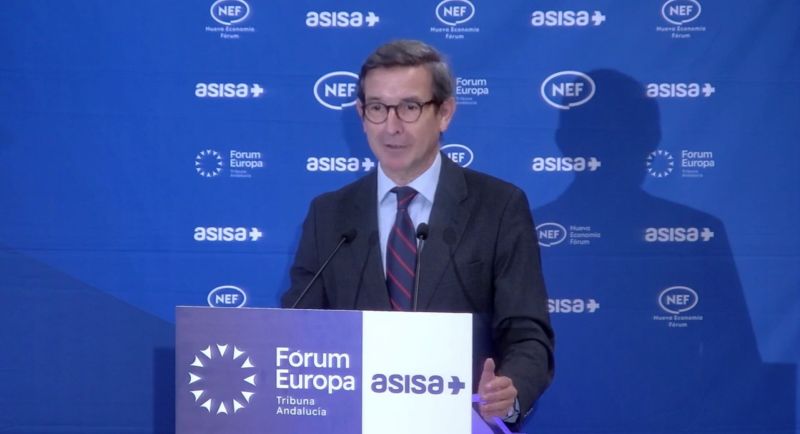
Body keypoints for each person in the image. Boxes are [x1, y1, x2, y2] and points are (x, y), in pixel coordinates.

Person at [281, 39, 554, 427]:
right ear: (361, 114)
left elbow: (527, 333)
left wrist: (509, 391)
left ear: (444, 113)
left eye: (409, 107)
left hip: (460, 422)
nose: (391, 126)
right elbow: (296, 331)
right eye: (377, 108)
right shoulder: (329, 215)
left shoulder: (498, 207)